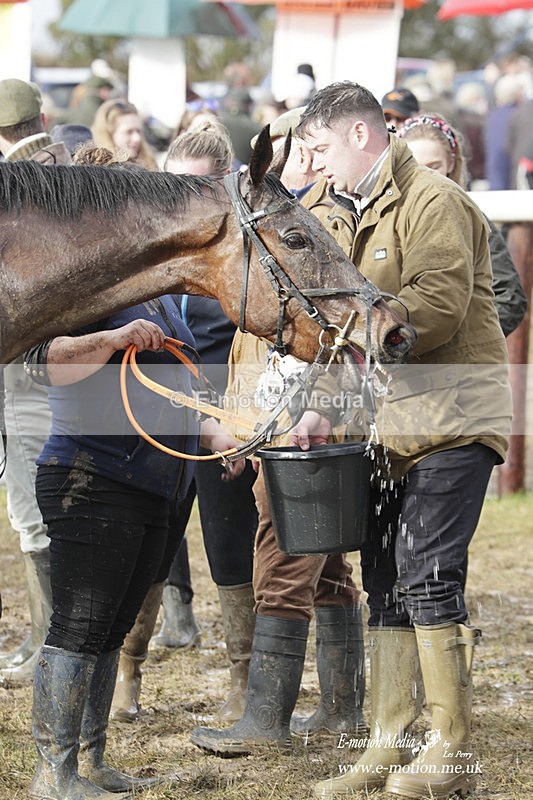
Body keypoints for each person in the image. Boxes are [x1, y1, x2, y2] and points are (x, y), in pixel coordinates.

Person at [281, 80, 511, 799]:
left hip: (450, 417)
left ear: (359, 136)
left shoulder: (435, 203)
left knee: (426, 570)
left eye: (318, 148)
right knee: (381, 578)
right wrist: (319, 403)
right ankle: (385, 744)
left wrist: (351, 348)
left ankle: (447, 749)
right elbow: (324, 325)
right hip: (379, 423)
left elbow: (433, 311)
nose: (311, 164)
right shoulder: (326, 211)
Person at [22, 144, 245, 800]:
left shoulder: (163, 293)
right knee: (80, 625)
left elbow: (179, 383)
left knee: (113, 628)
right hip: (92, 474)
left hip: (157, 481)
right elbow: (46, 360)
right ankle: (52, 774)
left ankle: (89, 761)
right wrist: (112, 341)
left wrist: (217, 436)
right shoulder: (76, 280)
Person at [190, 108, 367, 758]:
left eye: (311, 150)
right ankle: (344, 709)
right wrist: (241, 425)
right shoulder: (275, 221)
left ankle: (266, 722)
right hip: (279, 417)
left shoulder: (315, 224)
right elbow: (249, 344)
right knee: (322, 567)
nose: (308, 161)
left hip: (307, 420)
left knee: (281, 564)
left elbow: (332, 330)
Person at [110, 123, 258, 726]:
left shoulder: (243, 248)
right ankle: (127, 673)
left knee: (231, 551)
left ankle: (242, 681)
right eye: (175, 183)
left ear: (224, 184)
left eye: (197, 186)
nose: (183, 197)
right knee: (151, 551)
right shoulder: (151, 248)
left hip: (226, 416)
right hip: (160, 418)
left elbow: (255, 338)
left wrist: (240, 421)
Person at [0, 78, 71, 686]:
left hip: (29, 365)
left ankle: (54, 645)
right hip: (52, 361)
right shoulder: (69, 166)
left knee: (37, 514)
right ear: (42, 116)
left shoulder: (17, 184)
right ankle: (46, 640)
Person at [396, 114, 527, 338]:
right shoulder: (384, 216)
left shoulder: (472, 217)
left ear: (451, 163)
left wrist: (465, 343)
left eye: (433, 166)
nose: (424, 175)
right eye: (414, 166)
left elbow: (509, 296)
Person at [91, 99, 159, 170]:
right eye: (129, 132)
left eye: (138, 131)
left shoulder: (149, 164)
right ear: (109, 133)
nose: (137, 138)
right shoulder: (97, 171)